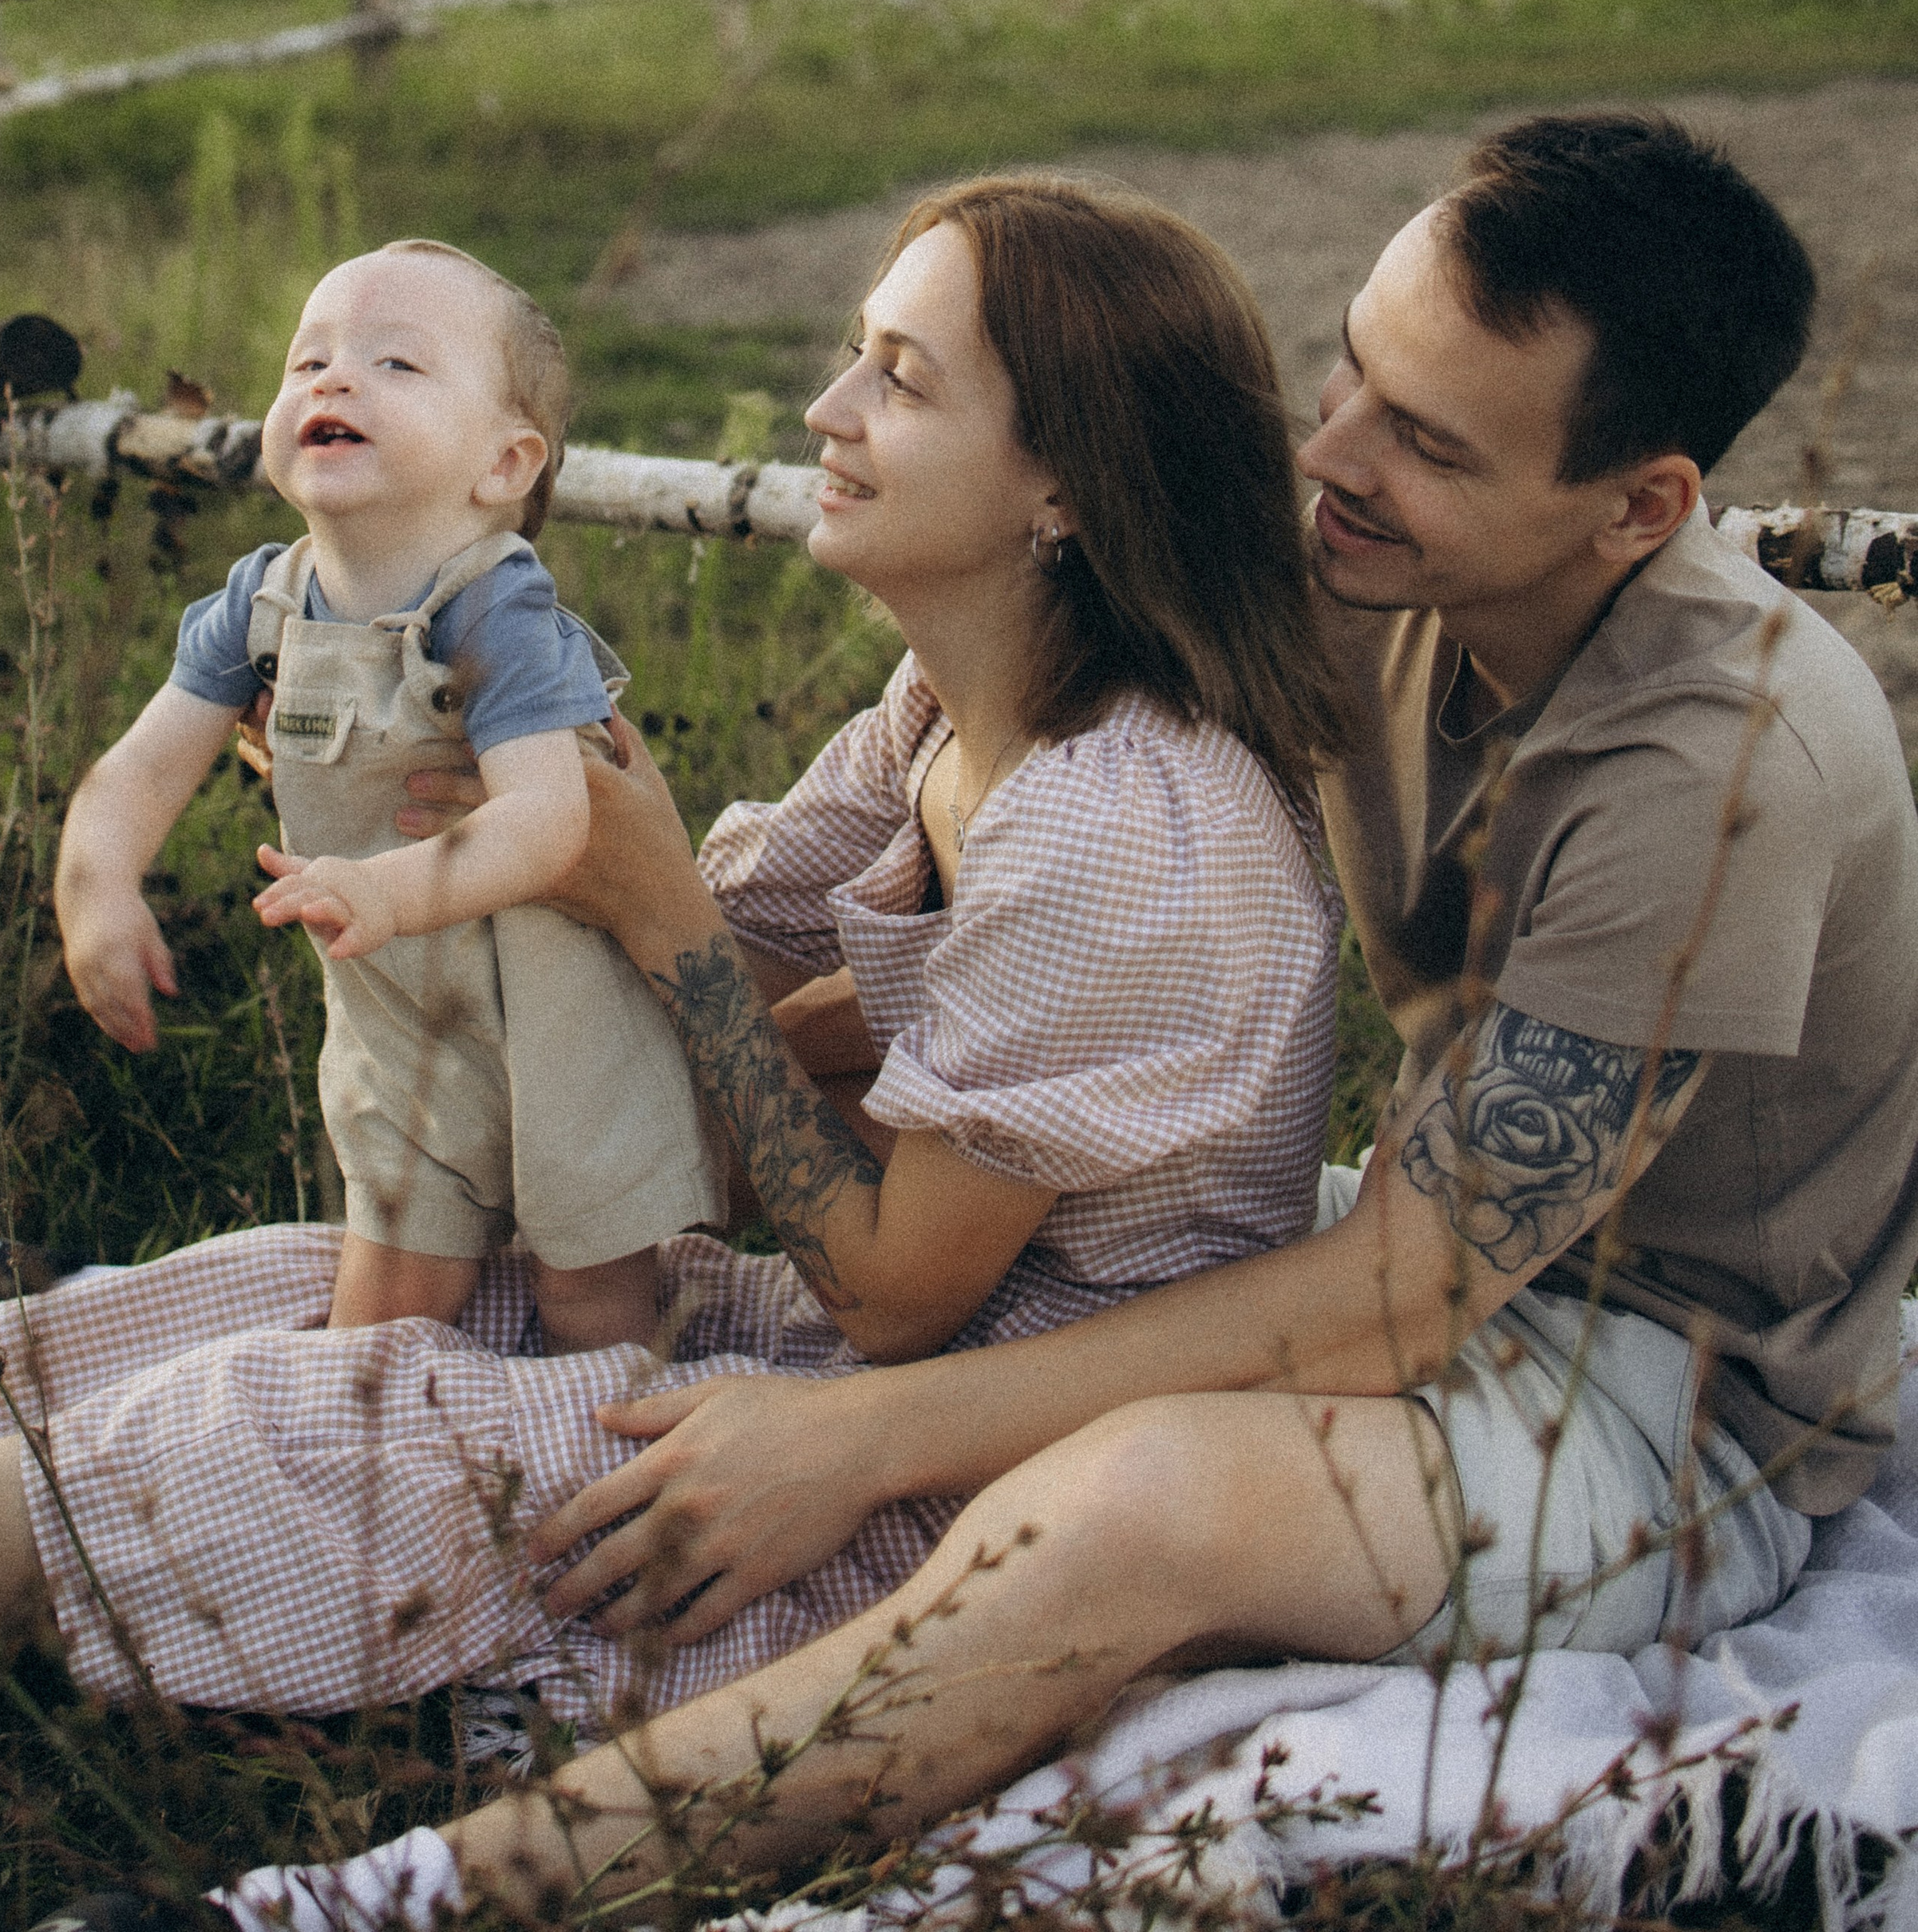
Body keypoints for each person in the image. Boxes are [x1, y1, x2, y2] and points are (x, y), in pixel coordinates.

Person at [157, 107, 1918, 1932]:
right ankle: (118, 1436)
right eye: (1350, 372)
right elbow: (988, 839)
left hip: (1665, 1399)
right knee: (596, 1226)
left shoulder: (1713, 763)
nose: (1324, 458)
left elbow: (1407, 1291)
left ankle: (386, 1903)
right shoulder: (1377, 566)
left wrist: (859, 1435)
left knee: (1135, 1497)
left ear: (1638, 505)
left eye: (1425, 440)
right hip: (1410, 1225)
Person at [0, 176, 1347, 1779]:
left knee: (322, 1433)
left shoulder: (1119, 823)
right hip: (847, 1345)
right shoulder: (941, 709)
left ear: (1064, 485)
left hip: (973, 1466)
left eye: (900, 379)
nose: (825, 407)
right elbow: (668, 933)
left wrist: (661, 916)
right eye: (856, 355)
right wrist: (412, 783)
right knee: (285, 1284)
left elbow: (888, 1280)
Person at [52, 236, 722, 1353]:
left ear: (506, 465)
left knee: (591, 1302)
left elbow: (547, 820)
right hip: (399, 1015)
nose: (333, 378)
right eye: (306, 359)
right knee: (387, 1303)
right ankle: (374, 1475)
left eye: (396, 364)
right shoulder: (261, 604)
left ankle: (595, 1470)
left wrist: (389, 888)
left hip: (558, 1013)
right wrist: (98, 886)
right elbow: (138, 768)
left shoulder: (495, 612)